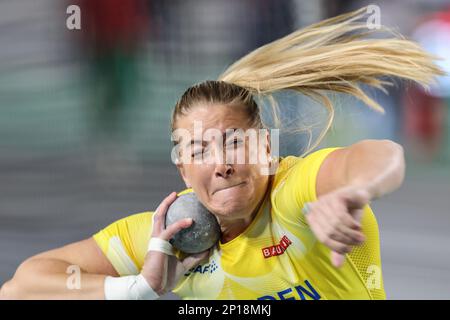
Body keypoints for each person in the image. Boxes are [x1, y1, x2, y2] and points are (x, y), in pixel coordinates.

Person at [0, 7, 443, 300]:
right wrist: (138, 287)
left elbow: (382, 155)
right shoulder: (173, 235)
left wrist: (351, 193)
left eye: (235, 141)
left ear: (265, 148)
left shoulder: (292, 199)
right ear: (183, 168)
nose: (222, 162)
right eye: (198, 149)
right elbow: (20, 288)